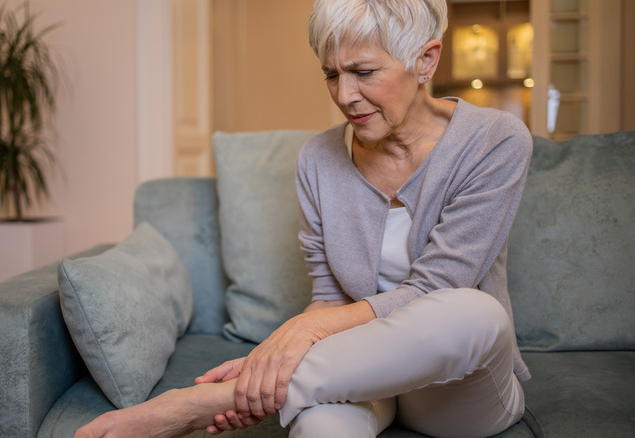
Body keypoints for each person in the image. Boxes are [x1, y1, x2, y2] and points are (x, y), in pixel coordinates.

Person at [75, 0, 532, 436]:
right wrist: (287, 346)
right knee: (319, 425)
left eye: (364, 72)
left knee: (474, 312)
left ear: (426, 59)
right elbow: (329, 297)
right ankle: (259, 392)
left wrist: (302, 331)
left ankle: (205, 403)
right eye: (331, 74)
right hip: (354, 373)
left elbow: (438, 286)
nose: (345, 95)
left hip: (459, 394)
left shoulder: (495, 140)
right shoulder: (318, 158)